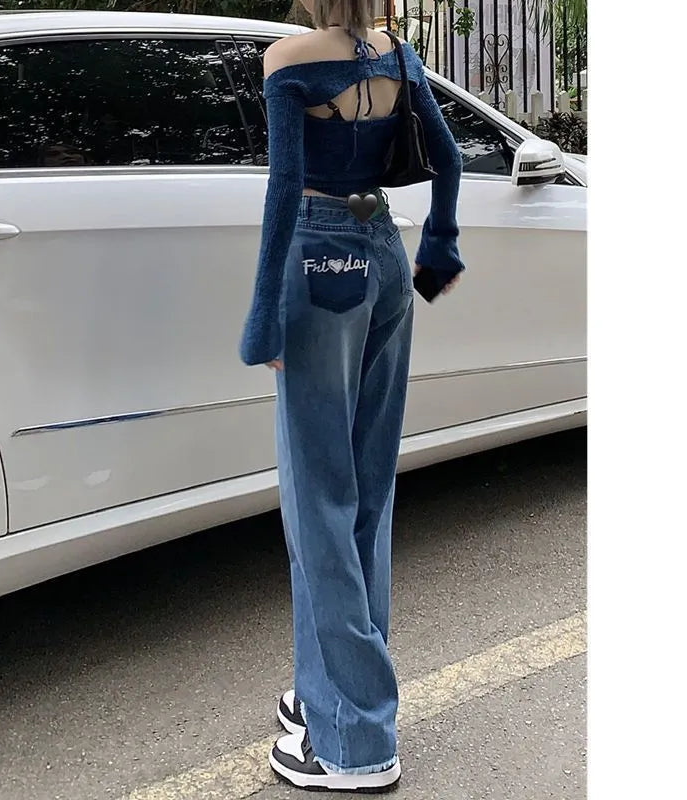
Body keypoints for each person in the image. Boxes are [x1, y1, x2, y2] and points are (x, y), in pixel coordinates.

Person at [238, 0, 465, 792]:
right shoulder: (397, 53)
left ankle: (355, 742)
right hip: (383, 252)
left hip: (318, 259)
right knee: (365, 493)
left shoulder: (289, 57)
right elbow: (448, 159)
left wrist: (263, 319)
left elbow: (284, 190)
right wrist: (441, 248)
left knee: (318, 502)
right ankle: (329, 691)